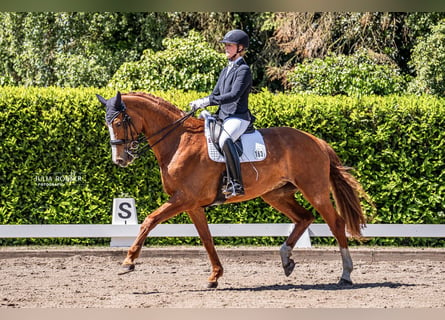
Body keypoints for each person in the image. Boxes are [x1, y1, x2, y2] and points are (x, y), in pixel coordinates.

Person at [189, 29, 254, 198]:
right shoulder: (226, 70)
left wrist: (207, 101)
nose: (226, 48)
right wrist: (204, 105)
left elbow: (233, 96)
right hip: (223, 116)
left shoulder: (243, 70)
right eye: (225, 45)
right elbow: (217, 95)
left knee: (225, 139)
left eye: (229, 45)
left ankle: (236, 183)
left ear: (240, 48)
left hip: (238, 117)